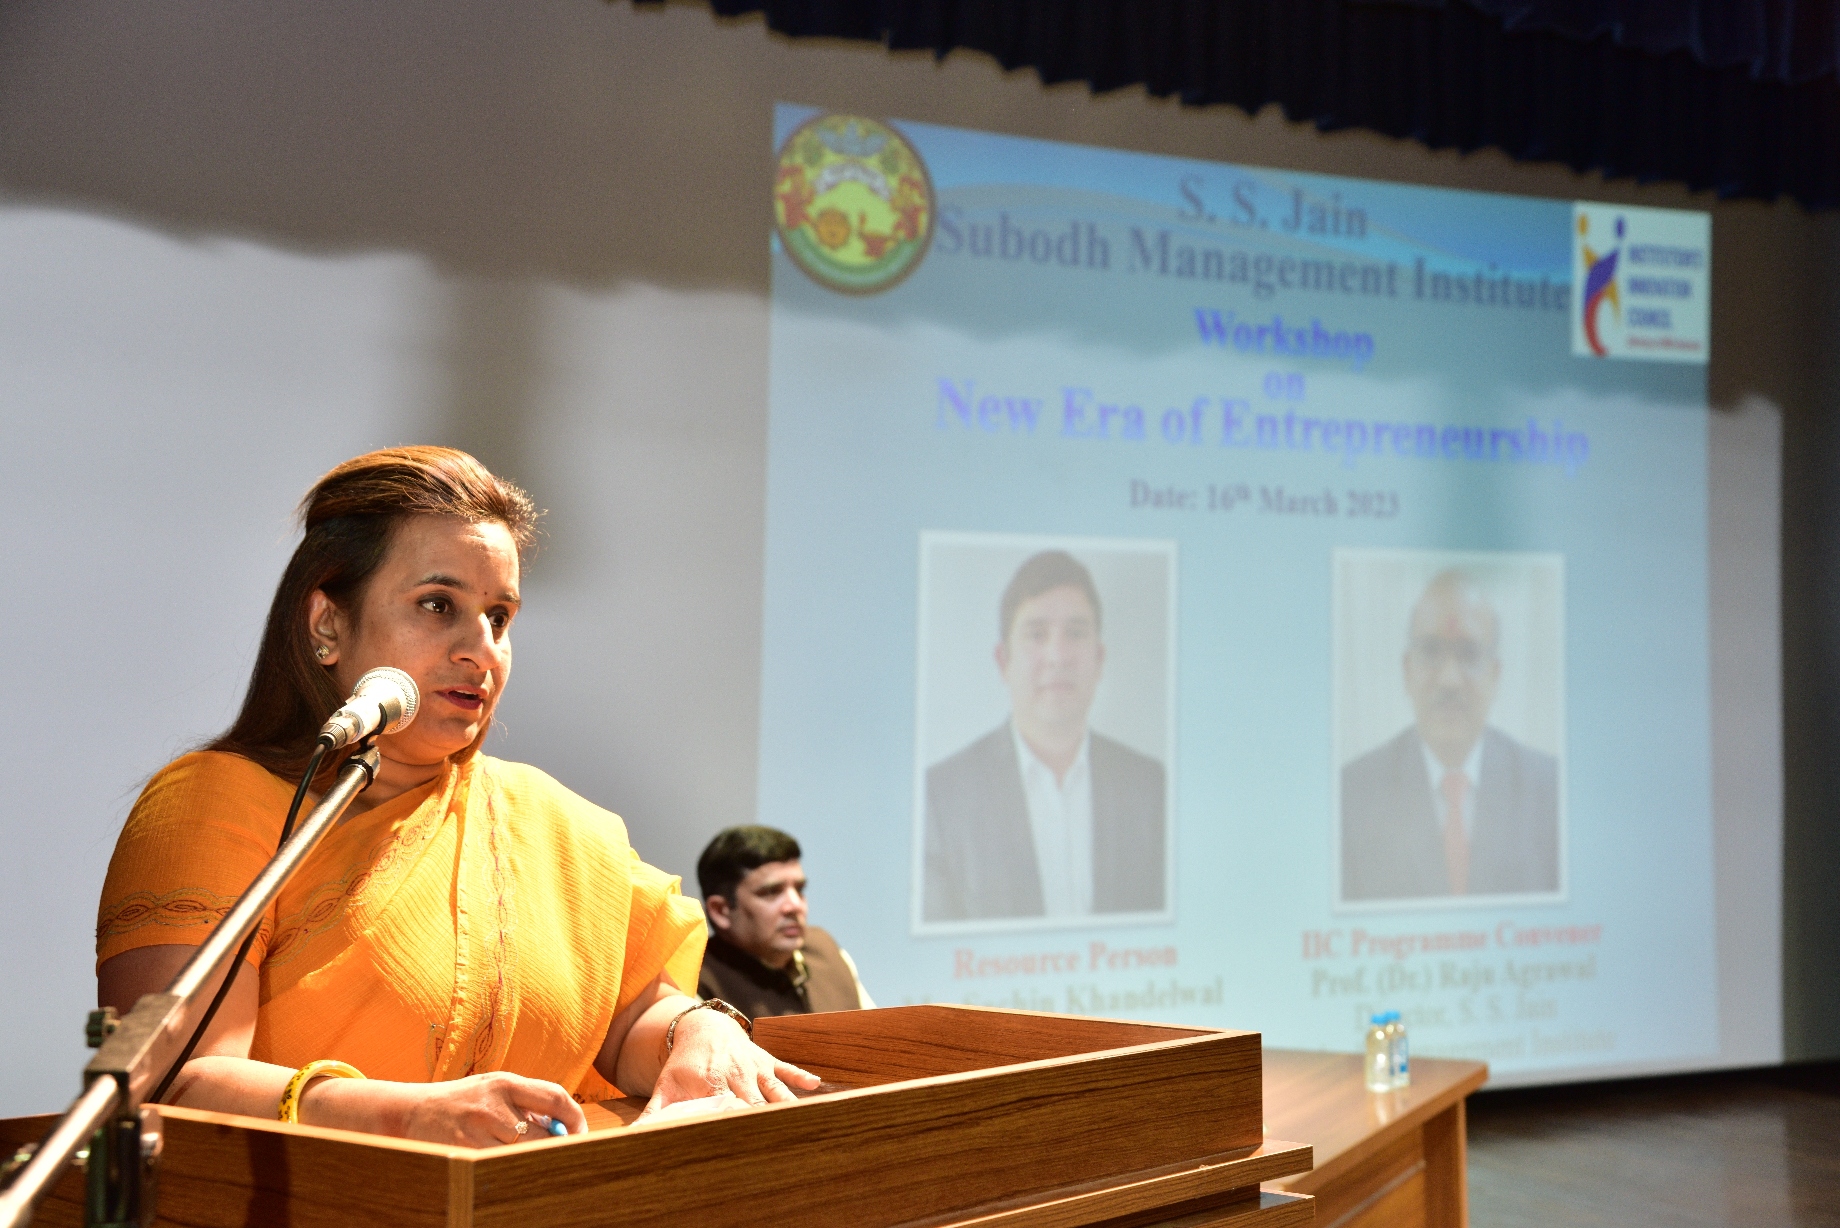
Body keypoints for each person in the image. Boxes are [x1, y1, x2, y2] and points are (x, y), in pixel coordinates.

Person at [94, 447, 819, 1146]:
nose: (482, 649)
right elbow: (174, 1083)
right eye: (438, 605)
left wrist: (695, 1029)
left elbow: (629, 1019)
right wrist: (405, 1118)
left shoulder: (552, 823)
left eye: (499, 616)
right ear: (327, 624)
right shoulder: (214, 805)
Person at [922, 550, 1165, 923]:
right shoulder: (943, 796)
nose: (1058, 656)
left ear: (1099, 659)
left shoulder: (1149, 787)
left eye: (1076, 633)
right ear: (1003, 661)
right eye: (1037, 635)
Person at [1340, 569, 1560, 901]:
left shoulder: (1549, 790)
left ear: (1495, 675)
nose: (1449, 680)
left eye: (1469, 654)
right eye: (1430, 652)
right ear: (1407, 671)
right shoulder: (1352, 795)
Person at [694, 826, 873, 1019]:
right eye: (771, 892)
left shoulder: (826, 950)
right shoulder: (693, 981)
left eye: (799, 889)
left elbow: (878, 1034)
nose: (795, 905)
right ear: (721, 911)